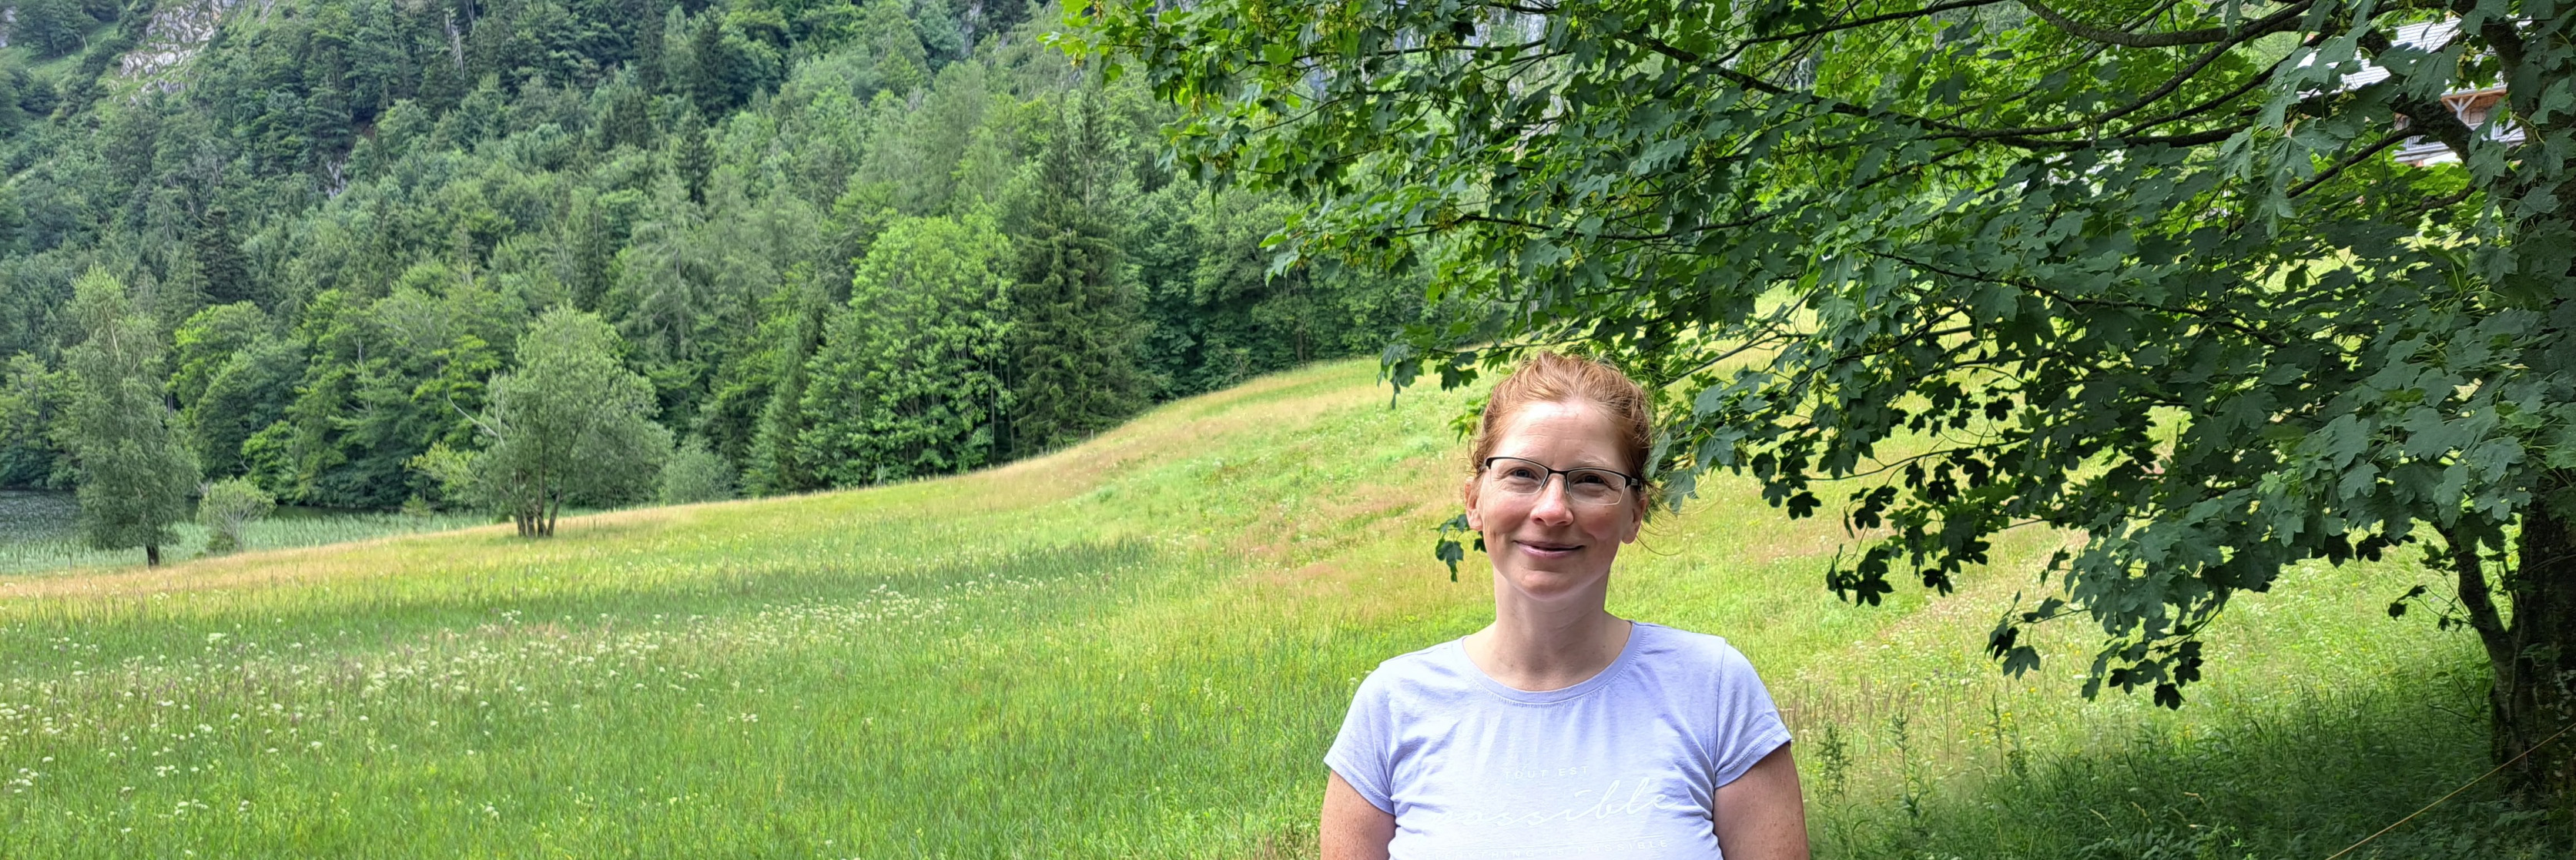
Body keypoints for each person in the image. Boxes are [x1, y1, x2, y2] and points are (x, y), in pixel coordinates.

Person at [1320, 352, 1810, 859]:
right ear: (1474, 501)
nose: (1552, 509)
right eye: (1521, 473)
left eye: (1591, 480)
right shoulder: (1394, 705)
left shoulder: (1713, 689)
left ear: (1634, 514)